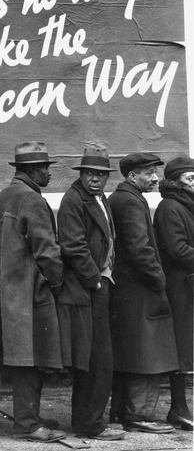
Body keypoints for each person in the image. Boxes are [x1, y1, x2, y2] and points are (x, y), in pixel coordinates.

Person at [0, 142, 67, 443]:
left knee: (24, 357)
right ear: (32, 170)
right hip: (33, 293)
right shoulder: (31, 199)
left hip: (10, 292)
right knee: (31, 359)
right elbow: (47, 251)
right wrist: (57, 284)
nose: (48, 171)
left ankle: (29, 417)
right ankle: (26, 424)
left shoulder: (3, 197)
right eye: (45, 167)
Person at [56, 147, 125, 441]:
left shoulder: (98, 198)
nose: (95, 179)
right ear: (81, 175)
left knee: (99, 358)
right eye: (90, 174)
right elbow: (73, 246)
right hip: (87, 289)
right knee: (96, 359)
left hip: (100, 284)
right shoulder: (74, 200)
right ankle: (89, 424)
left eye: (100, 175)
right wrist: (95, 280)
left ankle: (90, 419)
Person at [108, 152, 178, 434]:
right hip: (141, 290)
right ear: (132, 176)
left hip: (126, 290)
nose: (155, 178)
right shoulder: (132, 201)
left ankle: (123, 413)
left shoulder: (119, 197)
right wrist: (159, 280)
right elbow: (140, 248)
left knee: (131, 352)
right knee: (146, 355)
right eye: (149, 173)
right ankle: (139, 416)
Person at [153, 157, 194, 431]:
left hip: (190, 285)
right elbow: (177, 249)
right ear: (175, 180)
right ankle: (179, 408)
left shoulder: (186, 205)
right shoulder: (170, 207)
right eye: (190, 178)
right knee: (182, 349)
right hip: (181, 288)